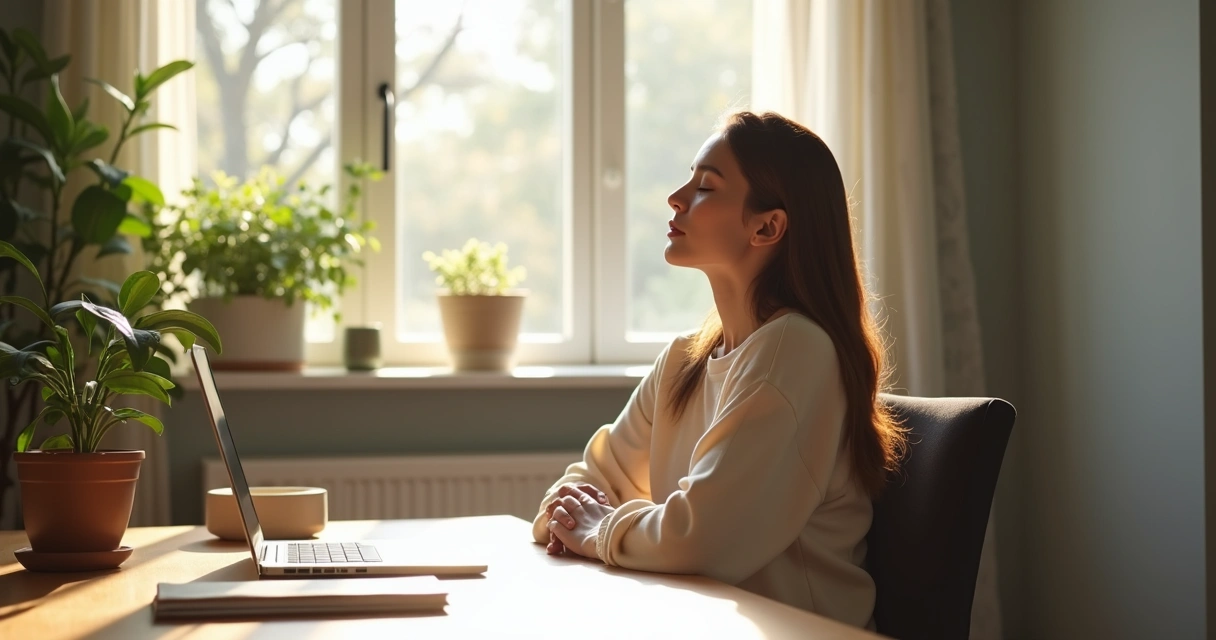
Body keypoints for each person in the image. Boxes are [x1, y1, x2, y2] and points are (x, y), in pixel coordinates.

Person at [532, 110, 906, 630]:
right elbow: (583, 488)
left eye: (706, 186)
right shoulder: (685, 360)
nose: (677, 197)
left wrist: (599, 530)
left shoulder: (795, 351)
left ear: (767, 226)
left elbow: (702, 542)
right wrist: (576, 516)